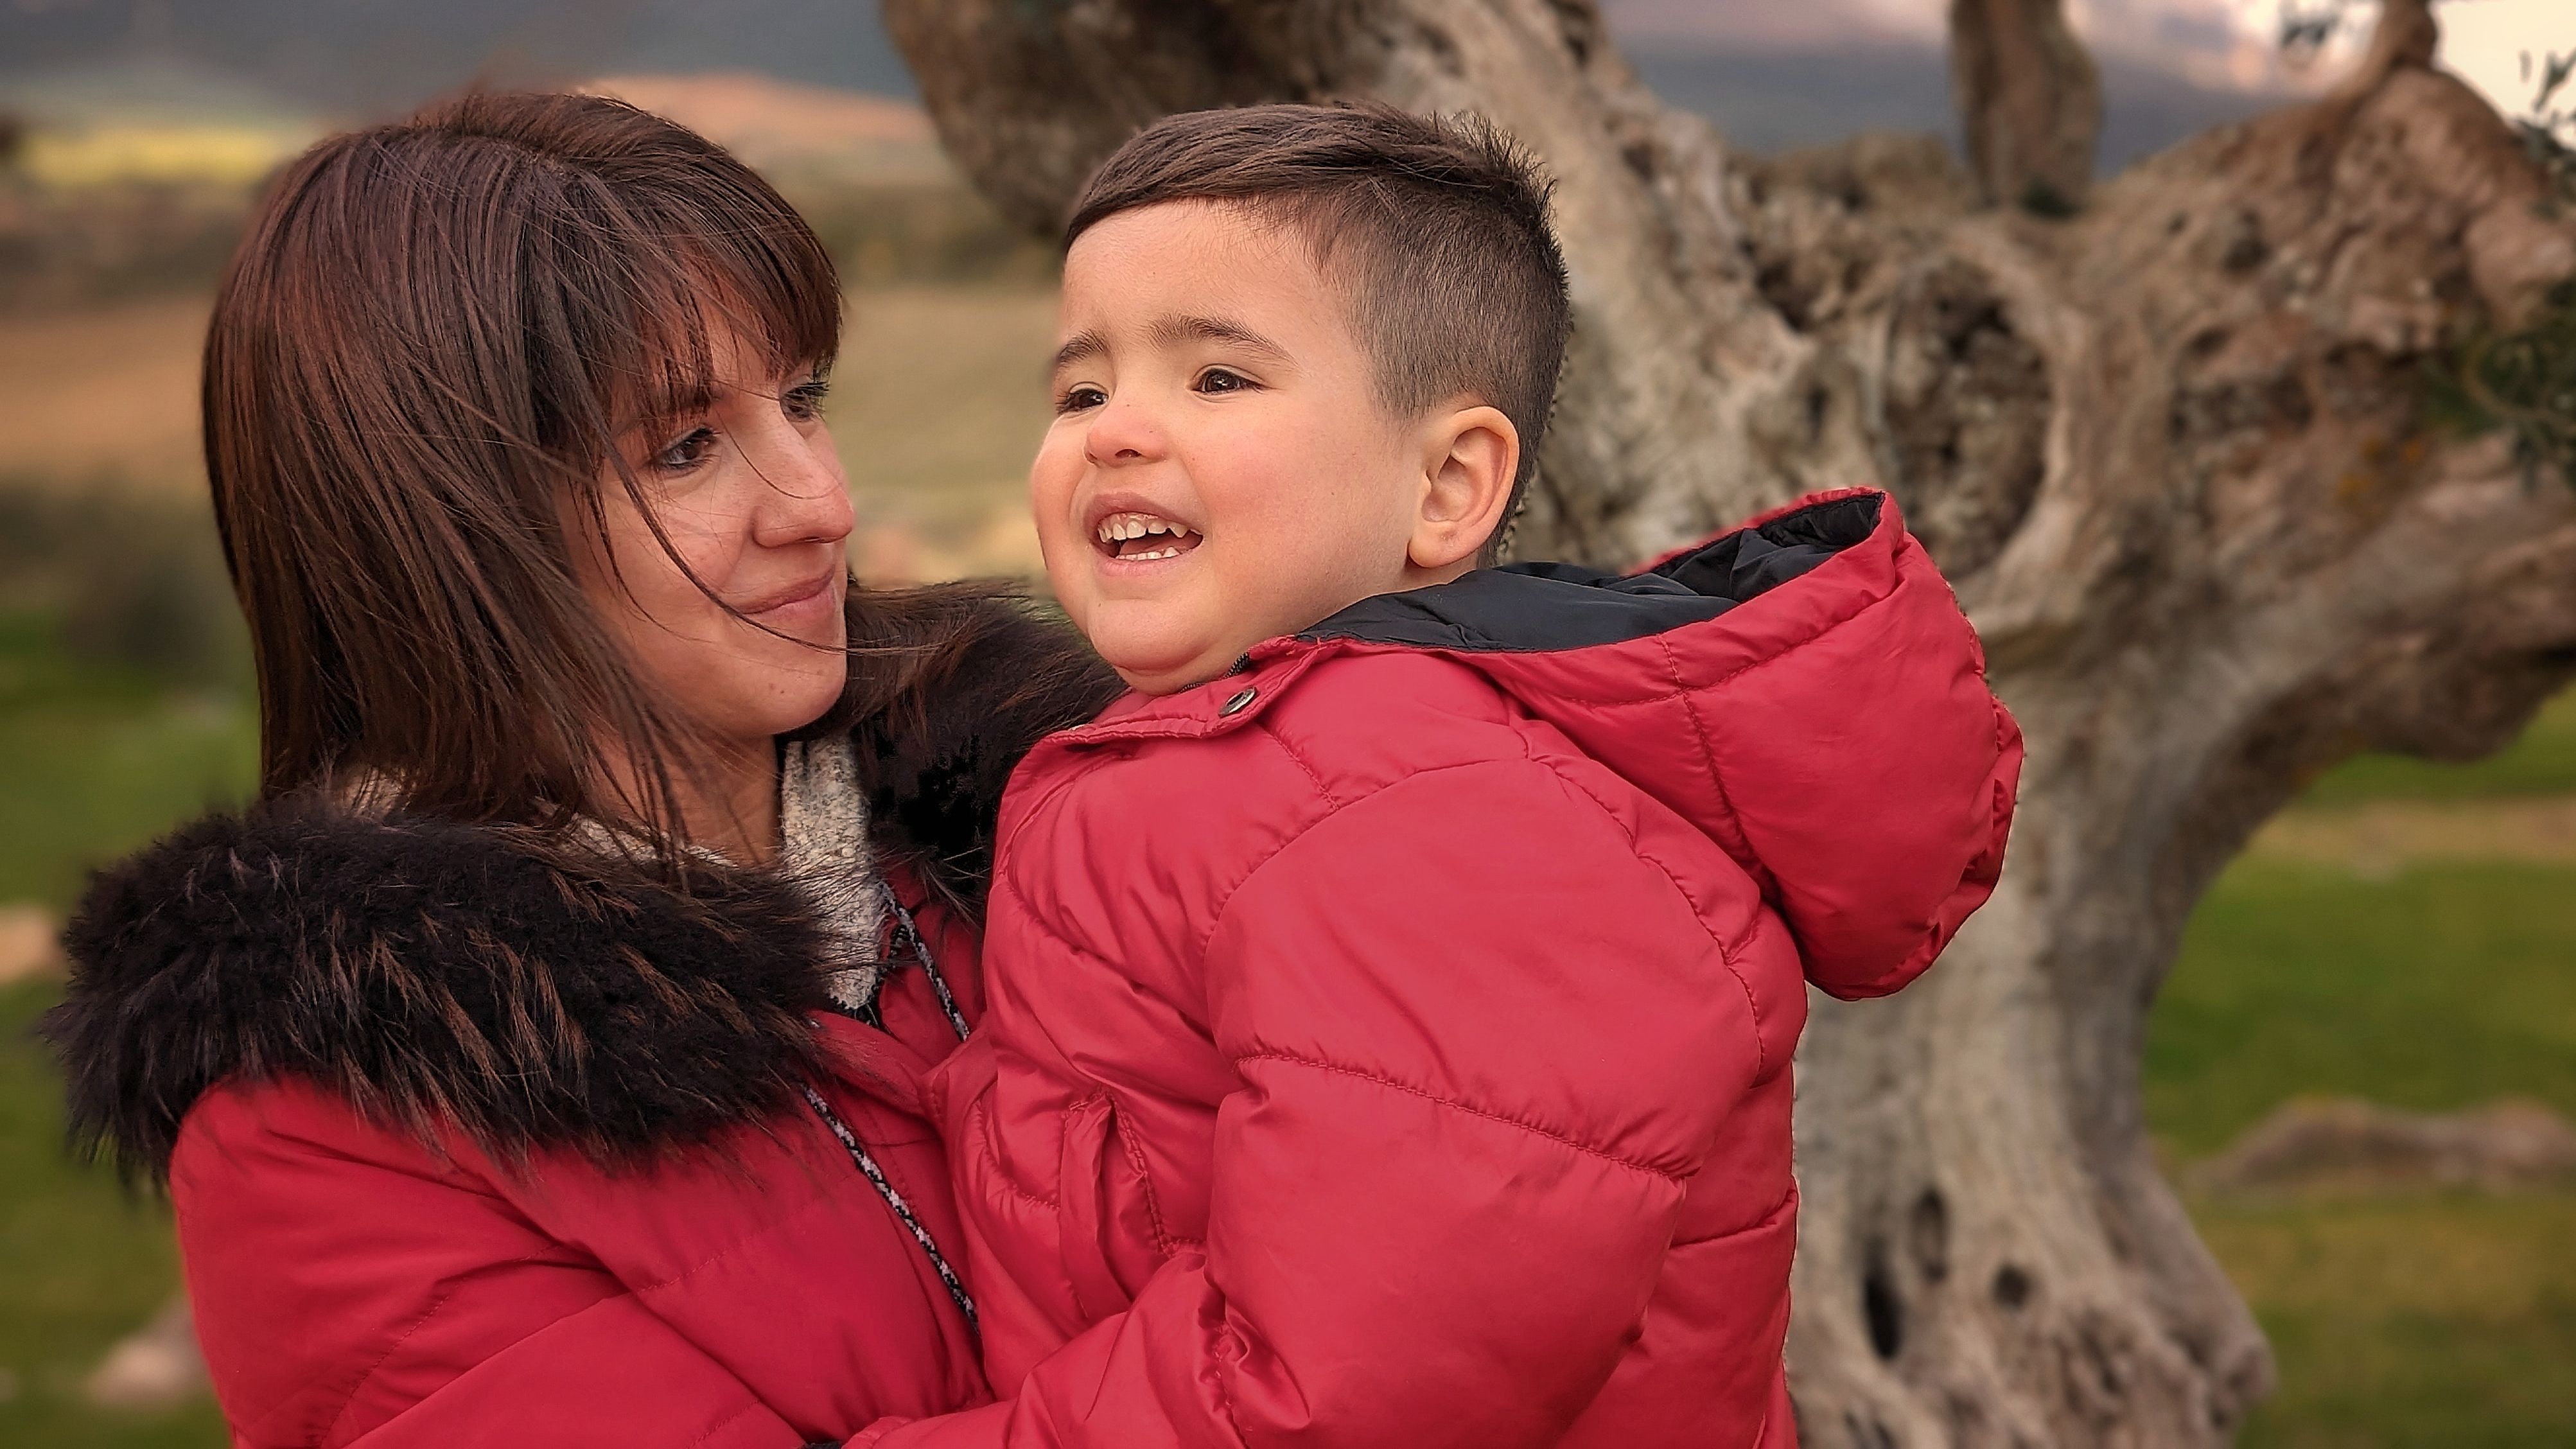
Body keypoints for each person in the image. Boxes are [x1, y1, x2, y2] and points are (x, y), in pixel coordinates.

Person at [855, 103, 2025, 1448]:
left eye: (1217, 378)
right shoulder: (1263, 772)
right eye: (1079, 389)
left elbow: (1347, 1394)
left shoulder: (1428, 817)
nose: (1115, 430)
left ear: (1448, 487)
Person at [47, 92, 1116, 1446]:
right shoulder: (332, 1139)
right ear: (447, 543)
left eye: (803, 402)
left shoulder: (1080, 809)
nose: (820, 505)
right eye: (685, 448)